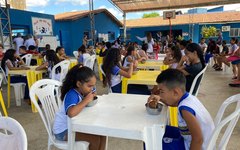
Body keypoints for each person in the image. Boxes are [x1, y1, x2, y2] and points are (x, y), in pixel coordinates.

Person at [148, 69, 214, 150]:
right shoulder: (187, 98)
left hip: (194, 146)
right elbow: (173, 103)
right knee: (158, 129)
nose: (160, 95)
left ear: (176, 92)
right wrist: (160, 99)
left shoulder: (185, 110)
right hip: (187, 137)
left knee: (151, 145)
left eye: (162, 92)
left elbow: (198, 139)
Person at [53, 65, 106, 150]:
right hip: (63, 131)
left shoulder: (82, 90)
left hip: (73, 125)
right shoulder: (72, 94)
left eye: (93, 86)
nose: (92, 88)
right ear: (78, 84)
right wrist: (85, 100)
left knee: (103, 133)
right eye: (89, 86)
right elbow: (71, 113)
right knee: (95, 140)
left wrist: (91, 93)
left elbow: (92, 94)